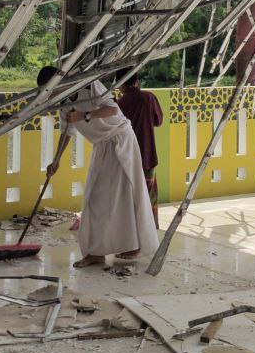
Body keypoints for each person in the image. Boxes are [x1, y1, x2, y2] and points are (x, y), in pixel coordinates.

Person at [37, 65, 159, 268]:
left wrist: (84, 117)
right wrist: (56, 159)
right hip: (102, 145)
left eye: (50, 89)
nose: (50, 93)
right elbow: (67, 131)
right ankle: (96, 253)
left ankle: (135, 245)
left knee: (127, 194)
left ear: (59, 82)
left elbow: (112, 108)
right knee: (93, 198)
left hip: (121, 139)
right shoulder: (64, 103)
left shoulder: (90, 86)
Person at [116, 72, 164, 228]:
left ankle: (133, 235)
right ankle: (150, 230)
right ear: (137, 81)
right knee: (149, 195)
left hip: (127, 156)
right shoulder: (149, 98)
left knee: (131, 197)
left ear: (120, 84)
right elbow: (158, 121)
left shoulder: (119, 104)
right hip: (148, 154)